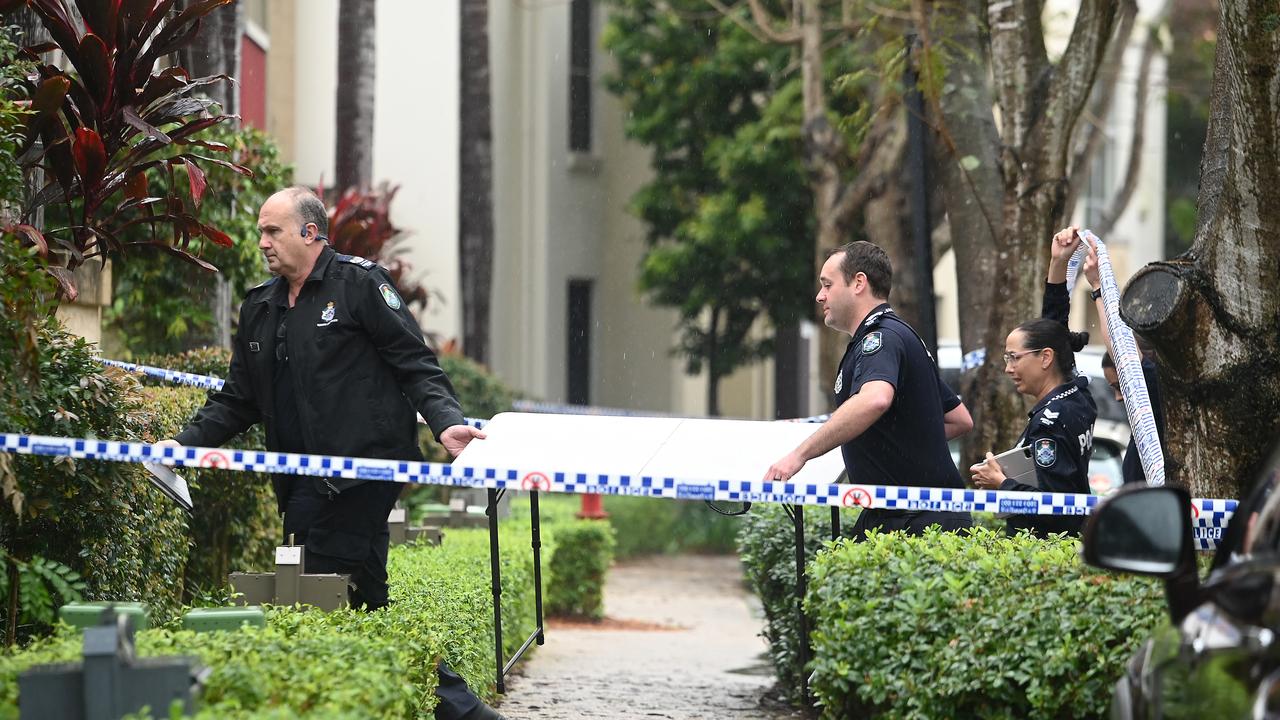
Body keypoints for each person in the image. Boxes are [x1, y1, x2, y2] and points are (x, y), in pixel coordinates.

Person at [159, 187, 504, 720]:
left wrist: (446, 423)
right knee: (366, 606)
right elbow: (239, 399)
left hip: (363, 477)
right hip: (300, 484)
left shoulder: (359, 285)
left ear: (311, 233)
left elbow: (414, 362)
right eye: (260, 232)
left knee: (315, 595)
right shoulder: (260, 307)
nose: (262, 242)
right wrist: (181, 447)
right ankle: (454, 710)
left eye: (273, 231)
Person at [764, 241, 974, 541]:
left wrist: (799, 455)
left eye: (827, 285)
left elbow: (874, 399)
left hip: (916, 520)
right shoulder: (898, 335)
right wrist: (902, 443)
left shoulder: (880, 339)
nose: (819, 295)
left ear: (859, 283)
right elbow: (959, 419)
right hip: (902, 514)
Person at [969, 318, 1097, 537]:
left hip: (1044, 549)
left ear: (1046, 357)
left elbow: (1053, 502)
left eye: (1014, 358)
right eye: (1007, 358)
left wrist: (1001, 483)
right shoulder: (1079, 397)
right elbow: (1056, 332)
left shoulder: (1050, 422)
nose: (1008, 369)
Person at [1078, 232, 1167, 484]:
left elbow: (1121, 347)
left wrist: (1098, 286)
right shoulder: (1141, 426)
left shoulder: (1154, 392)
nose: (1118, 396)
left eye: (1120, 386)